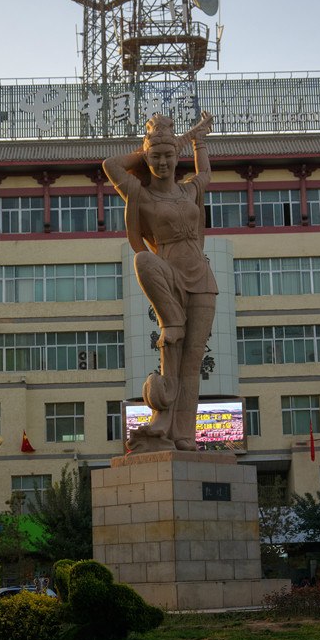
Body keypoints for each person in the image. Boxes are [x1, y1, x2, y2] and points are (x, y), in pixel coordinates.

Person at [102, 112, 217, 452]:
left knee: (192, 363)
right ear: (147, 158)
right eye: (156, 157)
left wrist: (197, 142)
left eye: (168, 156)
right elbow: (111, 165)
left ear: (177, 159)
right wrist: (151, 147)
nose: (163, 162)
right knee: (143, 261)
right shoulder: (139, 193)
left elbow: (205, 174)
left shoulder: (188, 190)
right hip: (168, 273)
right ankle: (172, 322)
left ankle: (183, 435)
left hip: (202, 278)